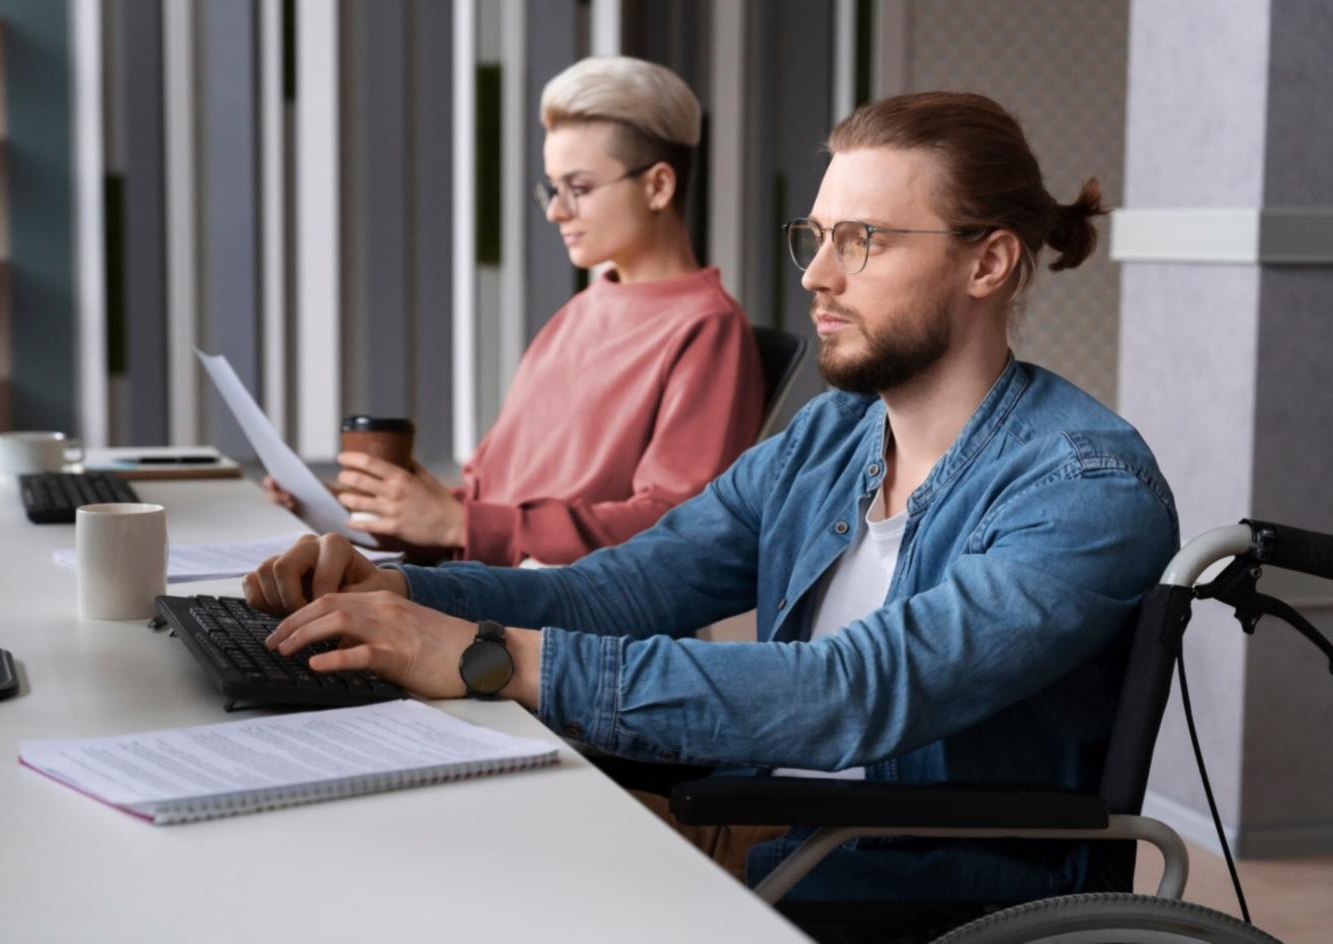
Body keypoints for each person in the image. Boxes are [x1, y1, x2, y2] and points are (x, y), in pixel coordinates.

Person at [245, 92, 1179, 903]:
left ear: (987, 265)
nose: (815, 274)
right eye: (814, 238)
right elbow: (612, 592)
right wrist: (393, 594)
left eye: (862, 240)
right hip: (770, 824)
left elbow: (854, 693)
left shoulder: (1087, 487)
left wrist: (489, 658)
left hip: (900, 879)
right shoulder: (827, 438)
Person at [267, 56, 764, 566]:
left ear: (658, 186)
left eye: (580, 188)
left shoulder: (707, 330)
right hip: (478, 594)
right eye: (552, 187)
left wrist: (458, 522)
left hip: (551, 629)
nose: (555, 210)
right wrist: (378, 513)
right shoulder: (579, 314)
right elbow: (491, 514)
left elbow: (676, 528)